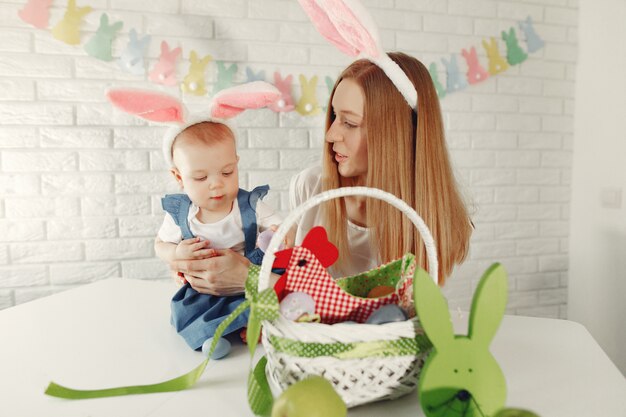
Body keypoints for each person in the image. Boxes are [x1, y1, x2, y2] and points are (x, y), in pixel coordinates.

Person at [170, 52, 472, 295]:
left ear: (396, 136)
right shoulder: (311, 186)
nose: (330, 135)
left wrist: (250, 280)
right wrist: (196, 259)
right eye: (334, 117)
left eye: (349, 123)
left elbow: (384, 317)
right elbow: (293, 277)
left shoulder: (434, 222)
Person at [155, 120, 284, 350]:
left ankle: (257, 325)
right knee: (188, 309)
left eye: (227, 172)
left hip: (247, 276)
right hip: (205, 286)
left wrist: (278, 234)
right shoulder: (182, 214)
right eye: (201, 178)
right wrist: (175, 253)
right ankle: (212, 337)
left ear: (236, 164)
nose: (216, 185)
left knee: (271, 294)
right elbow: (160, 245)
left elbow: (282, 226)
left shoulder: (248, 205)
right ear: (178, 177)